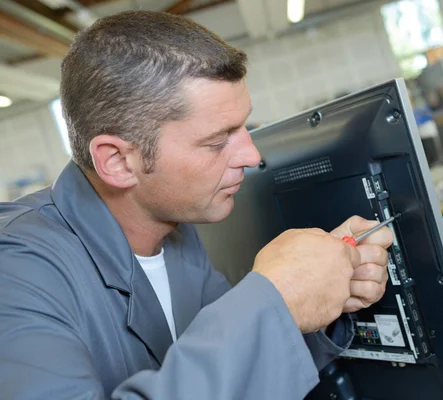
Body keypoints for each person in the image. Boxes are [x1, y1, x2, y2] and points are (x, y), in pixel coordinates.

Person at [0, 11, 392, 400]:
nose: (252, 156)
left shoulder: (177, 238)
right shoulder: (16, 271)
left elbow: (231, 372)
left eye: (245, 128)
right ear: (118, 161)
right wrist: (274, 302)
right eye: (217, 141)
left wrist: (317, 298)